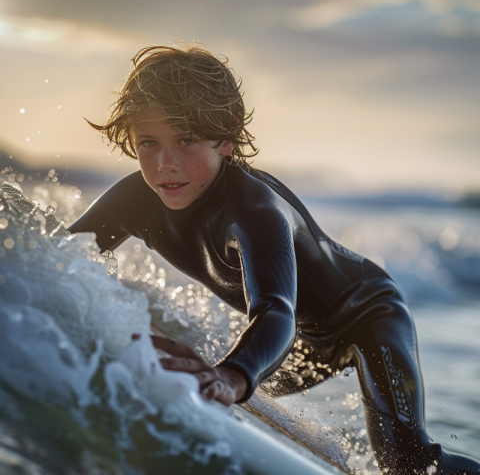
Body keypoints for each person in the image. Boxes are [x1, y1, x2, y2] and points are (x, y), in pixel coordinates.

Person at [69, 44, 480, 474]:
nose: (164, 164)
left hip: (365, 315)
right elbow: (60, 255)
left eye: (185, 140)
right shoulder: (134, 200)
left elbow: (275, 311)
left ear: (226, 140)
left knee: (408, 463)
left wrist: (232, 375)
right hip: (297, 342)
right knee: (223, 376)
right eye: (148, 143)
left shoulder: (254, 211)